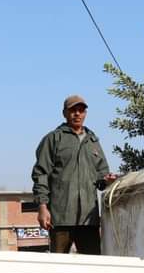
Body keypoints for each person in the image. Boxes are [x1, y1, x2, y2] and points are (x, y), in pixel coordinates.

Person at [31, 95, 117, 254]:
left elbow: (101, 175)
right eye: (73, 110)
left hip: (88, 218)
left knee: (93, 265)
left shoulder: (93, 141)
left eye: (81, 110)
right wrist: (42, 207)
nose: (77, 114)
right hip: (61, 216)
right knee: (59, 266)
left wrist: (107, 180)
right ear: (64, 113)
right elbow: (40, 174)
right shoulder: (53, 139)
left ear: (85, 113)